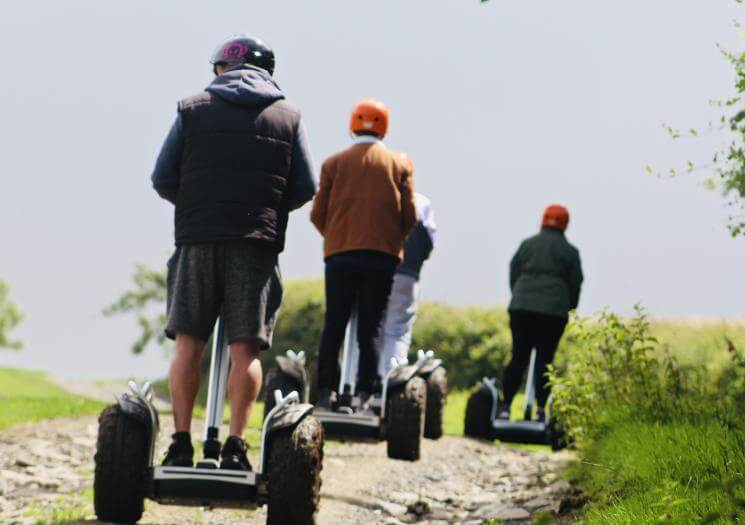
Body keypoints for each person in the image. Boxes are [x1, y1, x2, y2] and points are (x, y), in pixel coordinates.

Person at [151, 35, 316, 470]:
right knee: (246, 350)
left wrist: (195, 207)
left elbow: (163, 177)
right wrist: (266, 211)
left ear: (220, 69)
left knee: (188, 345)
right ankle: (237, 448)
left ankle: (182, 444)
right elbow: (305, 187)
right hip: (255, 245)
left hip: (198, 240)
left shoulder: (192, 109)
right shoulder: (288, 117)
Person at [310, 99, 418, 412]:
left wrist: (335, 238)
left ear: (352, 125)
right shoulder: (399, 164)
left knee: (335, 323)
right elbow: (409, 214)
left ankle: (324, 392)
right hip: (381, 257)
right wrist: (392, 239)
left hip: (340, 255)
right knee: (371, 327)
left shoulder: (334, 163)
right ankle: (363, 393)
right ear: (384, 127)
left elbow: (318, 213)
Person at [499, 205, 583, 421]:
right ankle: (541, 410)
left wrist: (520, 296)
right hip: (553, 313)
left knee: (519, 356)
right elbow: (576, 283)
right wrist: (568, 307)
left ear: (543, 220)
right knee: (545, 360)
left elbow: (513, 271)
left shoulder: (527, 245)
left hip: (521, 308)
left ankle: (505, 406)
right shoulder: (570, 252)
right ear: (566, 224)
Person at [377, 193, 437, 378]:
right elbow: (429, 242)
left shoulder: (378, 197)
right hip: (407, 273)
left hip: (377, 268)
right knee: (398, 329)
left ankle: (369, 379)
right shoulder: (422, 201)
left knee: (374, 327)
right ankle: (392, 379)